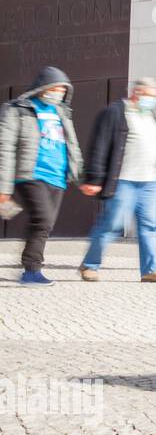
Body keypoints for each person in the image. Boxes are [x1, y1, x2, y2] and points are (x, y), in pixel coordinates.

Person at [79, 78, 156, 283]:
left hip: (151, 181)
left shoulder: (149, 116)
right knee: (111, 224)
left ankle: (150, 269)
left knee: (151, 227)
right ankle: (90, 265)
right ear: (137, 92)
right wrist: (94, 178)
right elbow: (99, 146)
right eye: (150, 95)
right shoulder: (114, 112)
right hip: (124, 180)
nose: (153, 100)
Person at [0, 66, 84, 285]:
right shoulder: (17, 109)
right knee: (43, 219)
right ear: (42, 87)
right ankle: (31, 271)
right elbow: (5, 148)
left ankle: (31, 269)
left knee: (43, 225)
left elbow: (72, 146)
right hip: (30, 174)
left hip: (57, 177)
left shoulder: (62, 113)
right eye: (55, 88)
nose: (59, 93)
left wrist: (80, 176)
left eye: (63, 90)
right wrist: (4, 186)